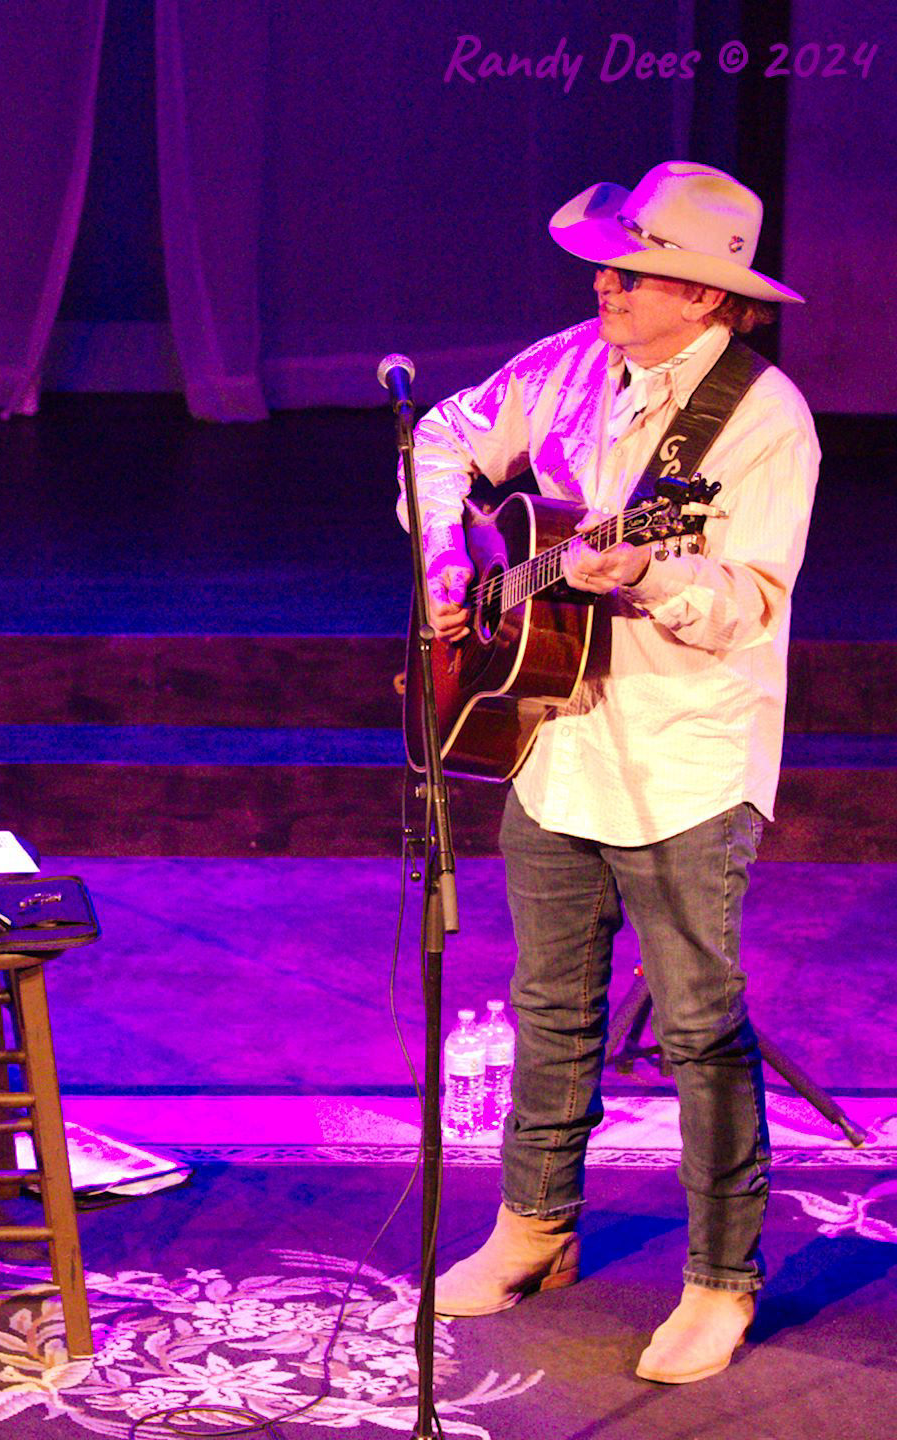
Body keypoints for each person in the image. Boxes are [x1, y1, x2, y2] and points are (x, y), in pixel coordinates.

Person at [401, 161, 818, 1385]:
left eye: (634, 273)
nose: (607, 286)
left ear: (706, 298)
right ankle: (534, 1228)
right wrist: (450, 575)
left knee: (698, 1027)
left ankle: (720, 1283)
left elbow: (746, 602)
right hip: (551, 728)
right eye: (611, 265)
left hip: (686, 757)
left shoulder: (762, 420)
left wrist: (649, 576)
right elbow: (442, 438)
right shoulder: (570, 362)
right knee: (549, 1006)